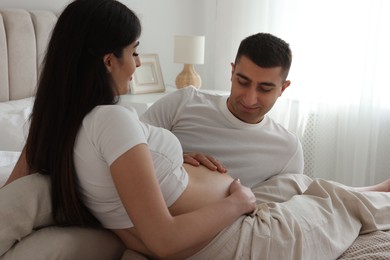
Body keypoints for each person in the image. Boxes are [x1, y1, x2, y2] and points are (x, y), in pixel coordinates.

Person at [4, 0, 390, 259]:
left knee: (301, 184)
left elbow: (11, 195)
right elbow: (163, 240)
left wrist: (170, 161)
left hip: (232, 217)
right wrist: (238, 202)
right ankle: (375, 193)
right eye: (134, 50)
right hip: (242, 236)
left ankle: (370, 188)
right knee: (340, 206)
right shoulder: (112, 120)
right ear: (109, 60)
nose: (138, 63)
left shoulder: (56, 124)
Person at [140, 32, 303, 188]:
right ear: (232, 72)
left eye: (265, 89)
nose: (250, 99)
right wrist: (176, 159)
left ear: (283, 88)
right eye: (243, 82)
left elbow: (283, 210)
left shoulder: (288, 150)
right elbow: (125, 152)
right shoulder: (183, 103)